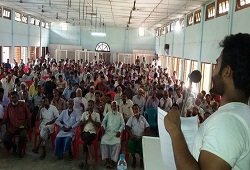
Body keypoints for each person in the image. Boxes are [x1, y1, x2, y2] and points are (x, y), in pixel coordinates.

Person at [164, 33, 250, 170]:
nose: (213, 71)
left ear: (226, 72)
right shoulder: (242, 114)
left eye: (216, 64)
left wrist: (175, 132)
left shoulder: (227, 122)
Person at [0, 91, 31, 158]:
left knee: (23, 136)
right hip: (12, 127)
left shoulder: (23, 104)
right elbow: (5, 117)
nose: (13, 99)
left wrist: (26, 124)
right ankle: (13, 146)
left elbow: (28, 115)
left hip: (22, 126)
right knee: (5, 139)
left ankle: (18, 152)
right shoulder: (9, 106)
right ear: (10, 99)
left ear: (18, 97)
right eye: (12, 98)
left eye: (15, 97)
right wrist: (0, 123)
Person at [101, 101, 125, 168]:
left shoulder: (120, 115)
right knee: (103, 142)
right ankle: (107, 160)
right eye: (113, 106)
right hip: (108, 132)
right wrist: (103, 126)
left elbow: (123, 124)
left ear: (117, 107)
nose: (114, 107)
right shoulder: (108, 114)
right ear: (111, 107)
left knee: (117, 144)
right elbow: (104, 121)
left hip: (116, 133)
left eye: (115, 106)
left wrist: (119, 131)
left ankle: (112, 161)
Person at [79, 100, 101, 169]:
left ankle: (85, 161)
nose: (90, 107)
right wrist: (87, 120)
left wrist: (91, 120)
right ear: (87, 106)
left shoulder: (96, 114)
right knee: (87, 136)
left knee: (87, 139)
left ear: (93, 106)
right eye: (89, 105)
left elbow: (99, 125)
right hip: (85, 132)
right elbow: (80, 124)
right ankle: (90, 155)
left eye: (91, 105)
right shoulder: (84, 114)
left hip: (93, 133)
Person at [126, 104, 150, 168]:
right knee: (130, 145)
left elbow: (147, 127)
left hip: (141, 136)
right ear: (133, 111)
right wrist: (131, 134)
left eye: (136, 109)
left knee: (142, 147)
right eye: (134, 109)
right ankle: (134, 159)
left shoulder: (143, 118)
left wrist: (145, 133)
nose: (135, 110)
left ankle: (141, 161)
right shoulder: (131, 118)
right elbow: (127, 127)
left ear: (139, 110)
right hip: (133, 136)